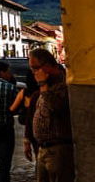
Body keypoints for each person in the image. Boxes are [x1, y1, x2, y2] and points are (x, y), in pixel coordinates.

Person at [29, 49, 73, 182]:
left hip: (58, 148)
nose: (34, 72)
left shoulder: (63, 85)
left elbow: (56, 107)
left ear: (48, 65)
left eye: (36, 68)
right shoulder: (48, 86)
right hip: (44, 148)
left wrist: (43, 84)